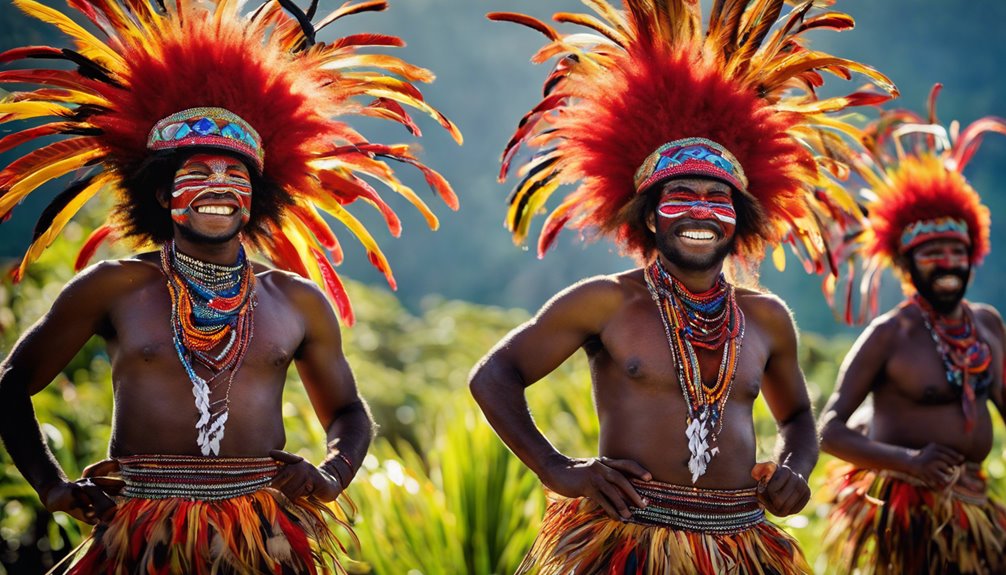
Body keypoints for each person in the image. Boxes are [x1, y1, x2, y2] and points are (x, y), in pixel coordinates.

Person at [0, 0, 459, 572]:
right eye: (197, 173)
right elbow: (12, 384)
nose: (218, 187)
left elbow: (347, 411)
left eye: (234, 175)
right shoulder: (113, 288)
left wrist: (331, 473)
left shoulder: (296, 300)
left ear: (257, 198)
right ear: (164, 196)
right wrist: (50, 485)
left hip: (261, 538)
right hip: (140, 538)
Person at [471, 1, 894, 573]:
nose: (701, 212)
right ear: (649, 216)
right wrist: (558, 469)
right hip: (629, 544)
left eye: (718, 199)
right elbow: (494, 376)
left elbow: (798, 419)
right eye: (680, 197)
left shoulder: (765, 317)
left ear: (740, 220)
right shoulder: (607, 301)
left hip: (739, 544)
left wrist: (794, 467)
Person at [818, 86, 1006, 575]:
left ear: (973, 256)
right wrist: (908, 461)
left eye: (957, 252)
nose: (948, 263)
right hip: (904, 510)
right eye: (932, 253)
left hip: (973, 502)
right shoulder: (891, 333)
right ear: (906, 263)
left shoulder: (986, 324)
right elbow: (829, 431)